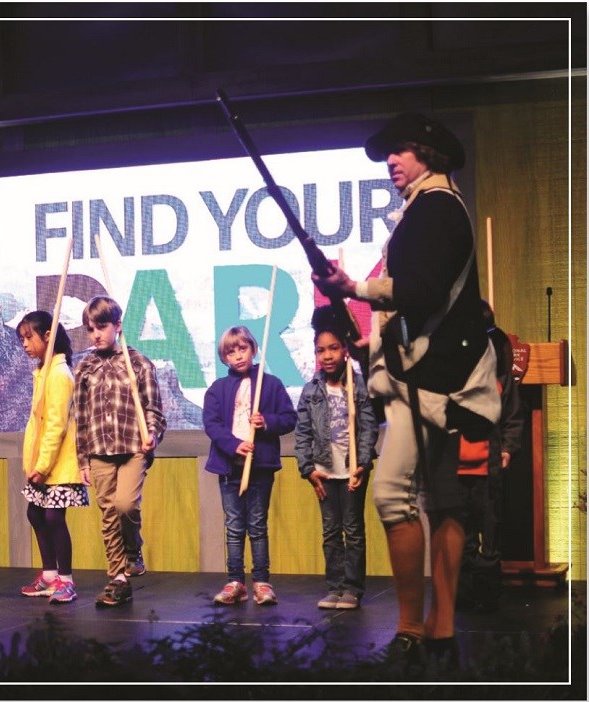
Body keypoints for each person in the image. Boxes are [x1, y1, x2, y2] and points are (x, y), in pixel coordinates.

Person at [313, 113, 501, 671]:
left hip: (439, 380)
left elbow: (420, 291)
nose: (392, 161)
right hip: (440, 375)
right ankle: (434, 629)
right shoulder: (431, 207)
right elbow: (414, 308)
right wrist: (365, 336)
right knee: (443, 503)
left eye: (402, 151)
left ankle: (414, 627)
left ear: (429, 154)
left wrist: (354, 287)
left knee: (394, 493)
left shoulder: (436, 207)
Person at [73, 296, 167, 607]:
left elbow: (154, 409)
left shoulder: (138, 363)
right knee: (109, 514)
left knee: (126, 505)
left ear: (118, 326)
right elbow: (81, 417)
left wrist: (151, 433)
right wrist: (82, 458)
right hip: (99, 450)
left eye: (102, 326)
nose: (96, 334)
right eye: (90, 329)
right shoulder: (85, 366)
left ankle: (133, 548)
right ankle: (118, 578)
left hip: (131, 448)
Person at [203, 325, 297, 606]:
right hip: (230, 466)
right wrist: (234, 444)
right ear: (224, 358)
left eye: (242, 349)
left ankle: (261, 582)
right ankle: (235, 581)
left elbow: (289, 418)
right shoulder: (218, 389)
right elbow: (212, 424)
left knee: (257, 525)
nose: (238, 356)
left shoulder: (272, 385)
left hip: (261, 466)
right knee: (234, 526)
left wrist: (266, 422)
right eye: (231, 352)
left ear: (254, 350)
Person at [294, 306, 379, 610]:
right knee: (331, 531)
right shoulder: (310, 391)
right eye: (321, 350)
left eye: (333, 348)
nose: (327, 355)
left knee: (353, 530)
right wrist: (307, 469)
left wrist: (364, 462)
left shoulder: (358, 387)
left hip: (352, 469)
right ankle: (335, 587)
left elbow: (369, 427)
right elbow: (302, 433)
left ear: (345, 350)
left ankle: (353, 589)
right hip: (324, 472)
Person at [16, 311, 90, 605]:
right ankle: (49, 576)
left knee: (53, 516)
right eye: (21, 338)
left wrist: (43, 465)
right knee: (35, 512)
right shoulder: (44, 372)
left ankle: (66, 580)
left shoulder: (60, 375)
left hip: (58, 465)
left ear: (48, 336)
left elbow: (56, 425)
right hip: (42, 463)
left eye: (29, 337)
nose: (24, 344)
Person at [455, 300, 523, 613]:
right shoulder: (452, 378)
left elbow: (512, 416)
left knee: (490, 533)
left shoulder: (499, 378)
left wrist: (507, 448)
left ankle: (490, 593)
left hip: (488, 468)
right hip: (457, 470)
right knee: (464, 536)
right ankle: (467, 592)